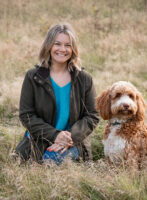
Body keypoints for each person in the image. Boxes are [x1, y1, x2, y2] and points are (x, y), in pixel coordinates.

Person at [16, 23, 99, 164]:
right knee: (37, 166)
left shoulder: (84, 78)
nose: (62, 49)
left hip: (72, 141)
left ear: (73, 49)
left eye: (68, 45)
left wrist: (68, 138)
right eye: (57, 44)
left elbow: (92, 116)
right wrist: (55, 135)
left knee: (52, 161)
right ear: (49, 46)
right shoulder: (33, 76)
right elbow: (26, 115)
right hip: (39, 139)